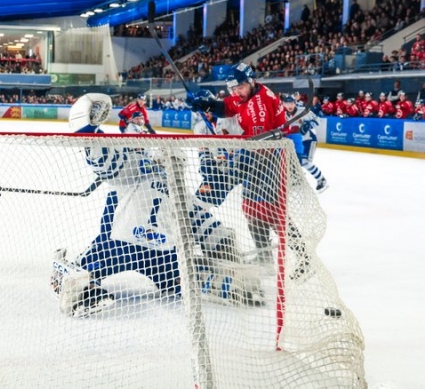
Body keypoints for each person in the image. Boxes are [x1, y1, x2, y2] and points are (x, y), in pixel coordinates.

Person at [50, 93, 261, 318]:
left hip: (155, 253)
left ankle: (232, 285)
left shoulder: (173, 190)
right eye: (169, 160)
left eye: (176, 162)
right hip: (124, 245)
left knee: (184, 277)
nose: (172, 166)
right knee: (86, 271)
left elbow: (202, 222)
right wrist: (89, 132)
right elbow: (107, 162)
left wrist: (222, 243)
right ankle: (72, 280)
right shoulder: (136, 170)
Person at [187, 63, 310, 279]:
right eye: (233, 89)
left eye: (240, 88)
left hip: (270, 160)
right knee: (252, 210)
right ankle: (265, 259)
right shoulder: (246, 95)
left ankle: (304, 257)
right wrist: (205, 105)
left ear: (251, 81)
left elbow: (257, 147)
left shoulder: (259, 106)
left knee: (271, 213)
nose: (237, 93)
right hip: (259, 156)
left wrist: (233, 170)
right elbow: (226, 107)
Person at [282, 95, 328, 193]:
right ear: (283, 104)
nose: (289, 106)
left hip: (309, 140)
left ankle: (321, 180)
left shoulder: (303, 111)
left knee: (305, 162)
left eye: (291, 103)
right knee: (291, 161)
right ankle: (296, 178)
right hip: (294, 142)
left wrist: (309, 124)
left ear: (295, 103)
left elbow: (318, 119)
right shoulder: (282, 114)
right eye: (287, 103)